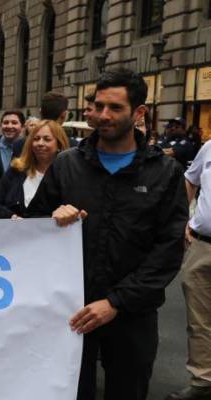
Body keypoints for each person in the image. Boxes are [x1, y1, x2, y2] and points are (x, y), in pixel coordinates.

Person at [27, 68, 188, 400]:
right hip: (69, 312)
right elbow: (32, 234)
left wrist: (116, 302)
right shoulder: (66, 165)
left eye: (115, 108)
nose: (103, 115)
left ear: (139, 112)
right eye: (98, 106)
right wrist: (50, 218)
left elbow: (168, 249)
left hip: (133, 316)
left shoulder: (164, 172)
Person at [168, 138, 211, 400]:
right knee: (199, 320)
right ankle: (203, 381)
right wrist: (183, 218)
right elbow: (190, 180)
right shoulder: (209, 147)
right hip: (201, 246)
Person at [0, 120, 69, 218]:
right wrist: (11, 216)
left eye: (47, 139)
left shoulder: (68, 175)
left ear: (59, 145)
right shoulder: (17, 170)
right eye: (36, 139)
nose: (40, 143)